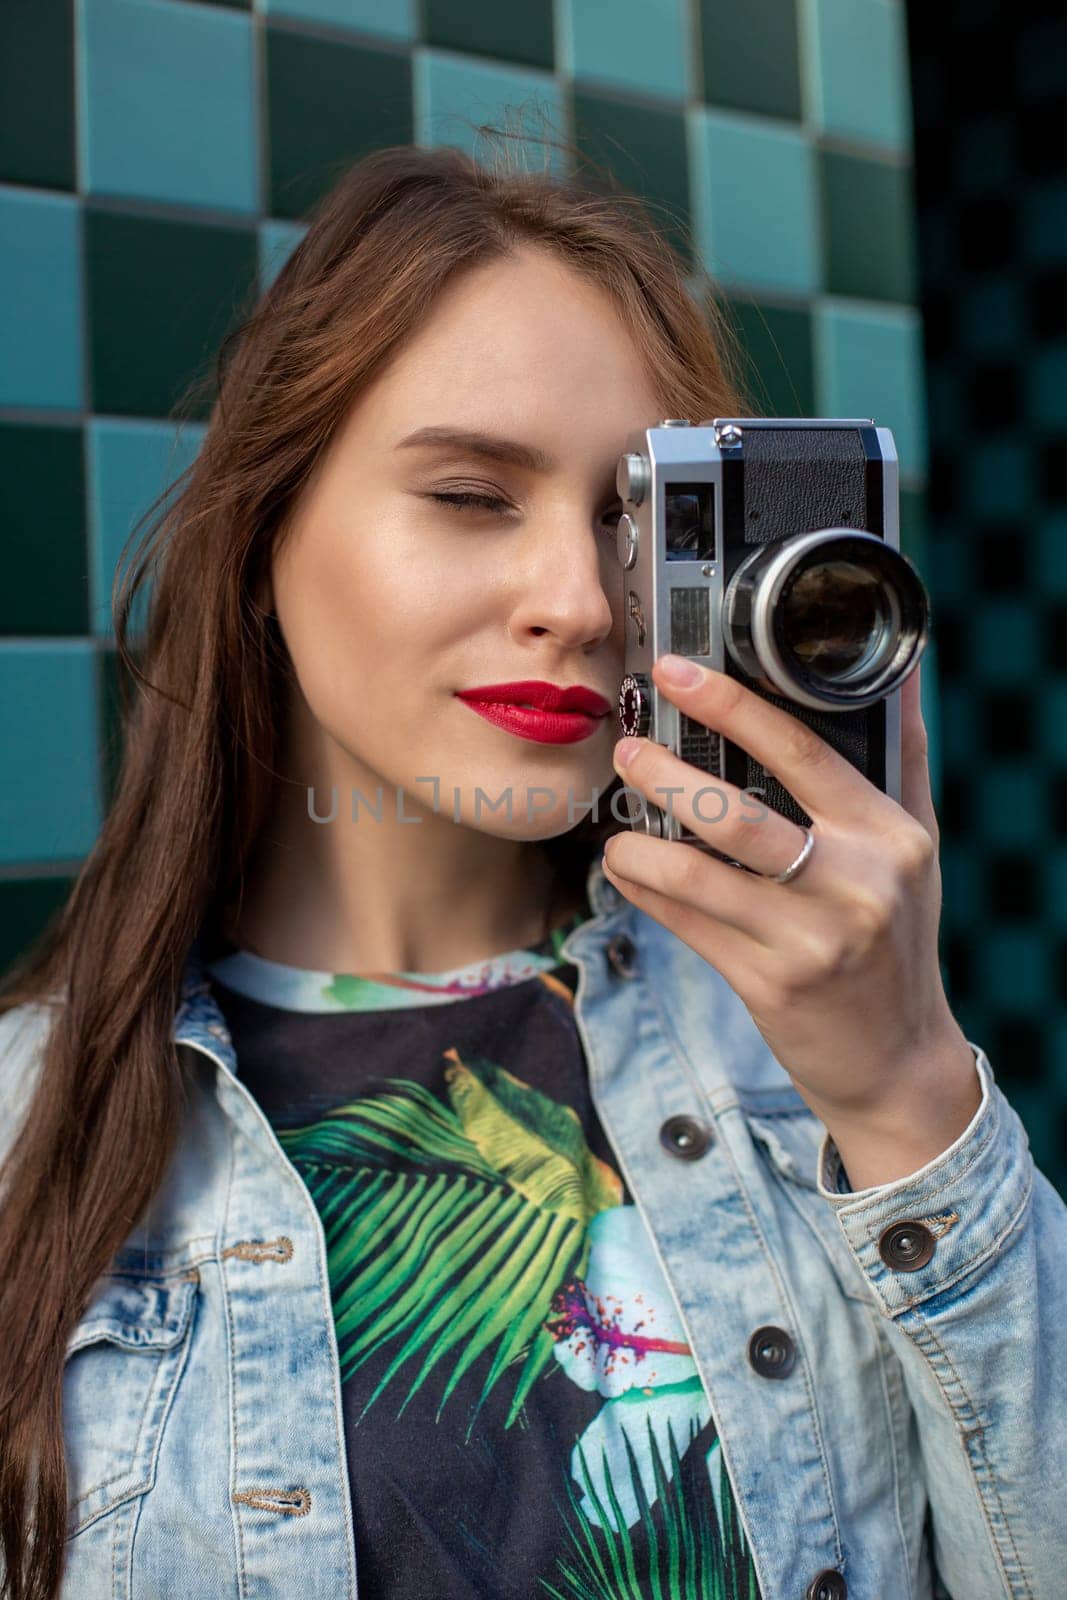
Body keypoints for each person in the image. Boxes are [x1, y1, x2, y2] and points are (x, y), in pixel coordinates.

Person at [0, 133, 1063, 1600]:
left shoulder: (814, 1053)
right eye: (470, 495)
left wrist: (907, 1095)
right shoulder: (23, 1134)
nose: (577, 600)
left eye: (636, 523)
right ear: (261, 538)